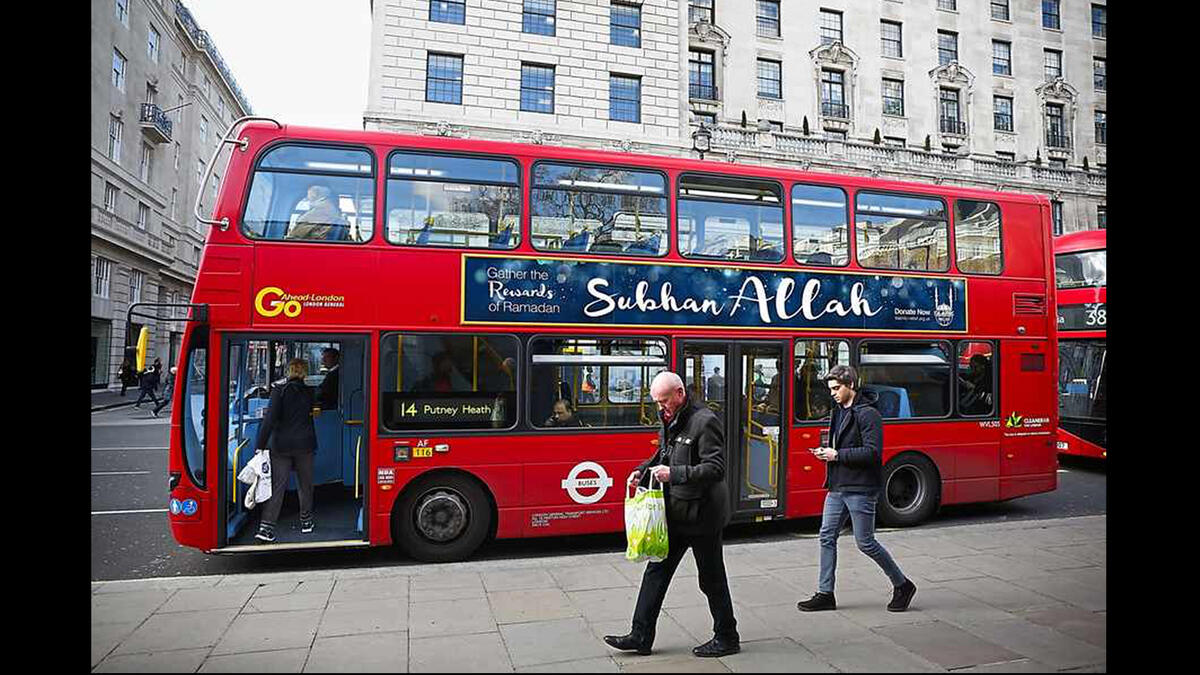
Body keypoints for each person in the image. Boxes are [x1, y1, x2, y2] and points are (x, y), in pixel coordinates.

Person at [604, 371, 740, 658]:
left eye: (664, 401)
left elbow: (716, 469)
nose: (660, 407)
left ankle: (727, 636)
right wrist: (642, 471)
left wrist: (674, 474)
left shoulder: (705, 421)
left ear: (679, 393)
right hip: (677, 512)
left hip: (703, 517)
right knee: (656, 571)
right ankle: (640, 636)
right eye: (656, 402)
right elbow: (664, 455)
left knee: (711, 578)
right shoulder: (670, 417)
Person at [797, 364, 917, 613]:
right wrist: (826, 453)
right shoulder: (838, 411)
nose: (833, 393)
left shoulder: (868, 414)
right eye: (830, 389)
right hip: (837, 486)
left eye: (836, 388)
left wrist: (836, 454)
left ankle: (902, 584)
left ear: (850, 385)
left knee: (865, 542)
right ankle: (825, 593)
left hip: (860, 488)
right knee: (826, 536)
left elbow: (873, 453)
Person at [254, 358, 319, 542]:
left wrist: (260, 445)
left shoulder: (279, 390)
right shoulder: (309, 392)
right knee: (305, 485)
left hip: (281, 445)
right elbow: (314, 410)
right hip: (305, 444)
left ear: (289, 370)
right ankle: (306, 522)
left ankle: (266, 528)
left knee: (277, 486)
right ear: (305, 372)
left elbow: (270, 420)